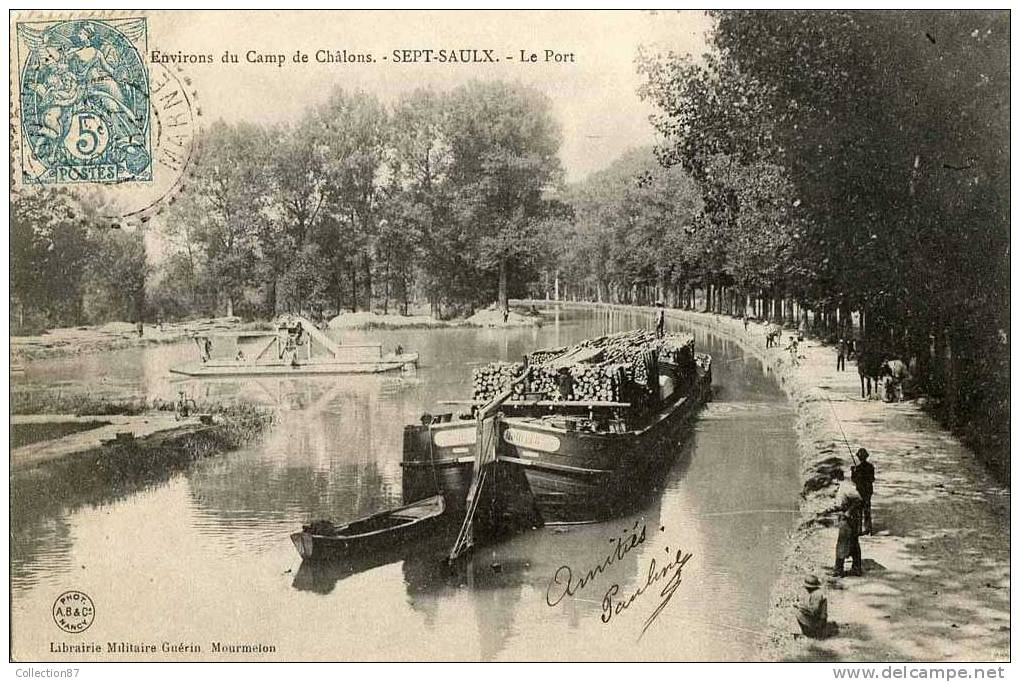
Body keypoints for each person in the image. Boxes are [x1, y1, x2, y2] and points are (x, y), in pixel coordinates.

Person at [830, 469, 864, 577]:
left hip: (849, 519)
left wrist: (849, 512)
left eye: (832, 480)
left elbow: (859, 500)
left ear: (836, 478)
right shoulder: (841, 488)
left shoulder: (846, 487)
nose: (832, 483)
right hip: (846, 517)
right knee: (853, 543)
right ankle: (856, 568)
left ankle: (838, 570)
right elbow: (842, 503)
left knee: (842, 543)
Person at [851, 448, 876, 535]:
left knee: (859, 511)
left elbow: (854, 480)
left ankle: (859, 530)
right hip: (868, 491)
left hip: (860, 491)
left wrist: (853, 472)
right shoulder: (870, 467)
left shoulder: (857, 468)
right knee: (867, 509)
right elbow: (872, 479)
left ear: (858, 458)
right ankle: (868, 529)